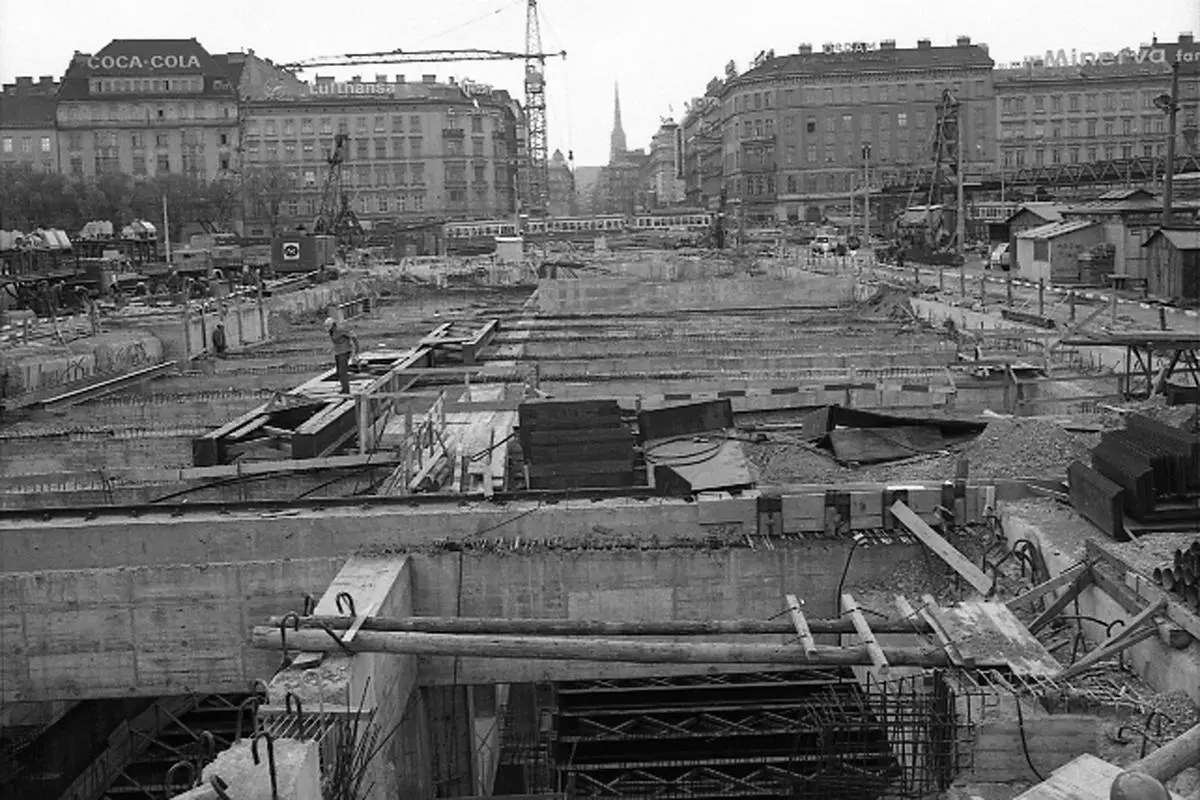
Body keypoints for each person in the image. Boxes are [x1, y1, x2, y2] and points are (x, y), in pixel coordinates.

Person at [326, 317, 359, 394]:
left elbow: (353, 336)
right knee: (338, 372)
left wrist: (357, 348)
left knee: (342, 371)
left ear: (333, 325)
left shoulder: (341, 329)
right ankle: (343, 388)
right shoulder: (331, 332)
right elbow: (335, 341)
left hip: (345, 351)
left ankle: (346, 390)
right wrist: (331, 348)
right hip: (337, 352)